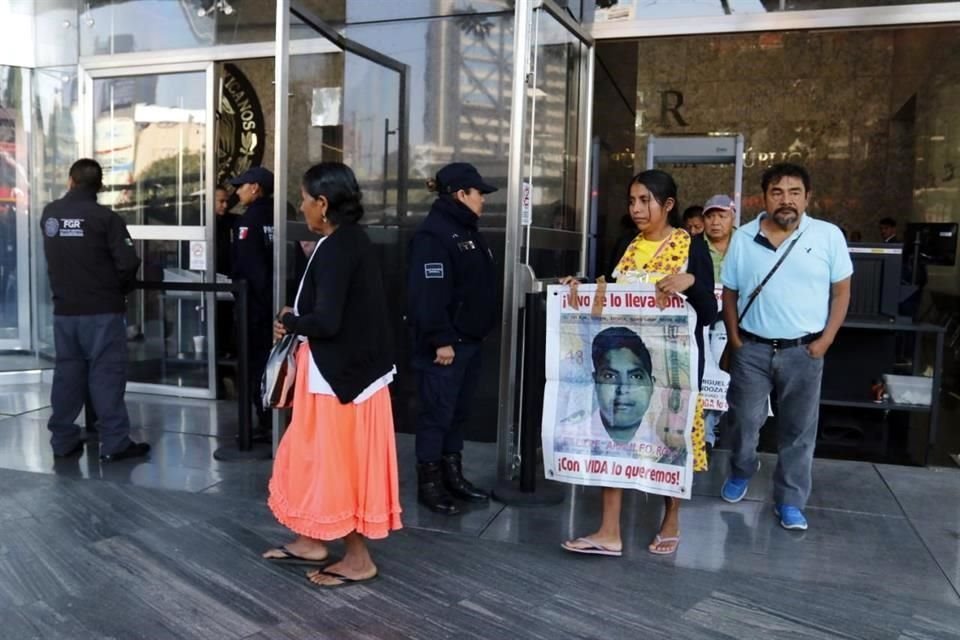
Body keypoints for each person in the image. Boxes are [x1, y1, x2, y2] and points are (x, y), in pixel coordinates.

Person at [561, 169, 716, 556]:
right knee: (614, 435)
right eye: (632, 201)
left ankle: (671, 518)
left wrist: (691, 283)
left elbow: (710, 310)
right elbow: (609, 288)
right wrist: (579, 284)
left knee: (670, 437)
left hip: (674, 366)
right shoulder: (626, 244)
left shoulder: (691, 245)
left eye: (645, 201)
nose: (636, 209)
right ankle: (609, 530)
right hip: (629, 361)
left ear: (668, 205)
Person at [264, 162, 401, 588]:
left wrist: (292, 322)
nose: (301, 207)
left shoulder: (340, 246)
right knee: (309, 459)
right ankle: (310, 539)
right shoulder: (346, 242)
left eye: (305, 200)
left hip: (341, 382)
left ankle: (358, 559)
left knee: (335, 467)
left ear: (322, 204)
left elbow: (328, 321)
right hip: (341, 376)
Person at [720, 163, 852, 531]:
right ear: (764, 197)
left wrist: (825, 340)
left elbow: (841, 291)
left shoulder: (827, 236)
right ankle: (742, 469)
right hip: (753, 350)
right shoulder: (743, 237)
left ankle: (791, 500)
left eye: (795, 192)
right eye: (777, 192)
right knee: (744, 421)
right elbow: (729, 291)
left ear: (807, 197)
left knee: (798, 430)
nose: (786, 200)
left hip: (804, 351)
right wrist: (735, 339)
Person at [40, 158, 149, 461]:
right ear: (99, 186)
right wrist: (118, 289)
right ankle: (114, 443)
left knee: (67, 375)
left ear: (71, 181)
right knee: (106, 375)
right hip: (102, 311)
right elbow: (128, 263)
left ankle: (62, 441)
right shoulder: (106, 219)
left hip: (64, 312)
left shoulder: (51, 215)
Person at [407, 162, 498, 515]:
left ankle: (452, 476)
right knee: (436, 415)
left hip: (468, 342)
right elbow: (427, 293)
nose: (483, 201)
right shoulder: (435, 234)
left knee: (457, 413)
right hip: (446, 346)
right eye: (479, 194)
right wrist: (439, 339)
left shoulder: (467, 231)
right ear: (461, 194)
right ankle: (429, 483)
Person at [230, 167, 275, 435]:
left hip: (255, 308)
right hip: (280, 304)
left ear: (255, 187)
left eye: (241, 186)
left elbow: (248, 268)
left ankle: (262, 420)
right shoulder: (284, 212)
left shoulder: (248, 221)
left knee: (255, 363)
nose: (238, 191)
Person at [590, 327, 656, 444]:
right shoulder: (563, 438)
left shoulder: (671, 449)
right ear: (595, 382)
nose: (623, 389)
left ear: (652, 385)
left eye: (635, 376)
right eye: (610, 376)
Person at [702, 195, 735, 283]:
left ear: (733, 219)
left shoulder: (744, 243)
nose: (715, 222)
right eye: (709, 217)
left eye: (722, 216)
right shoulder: (692, 246)